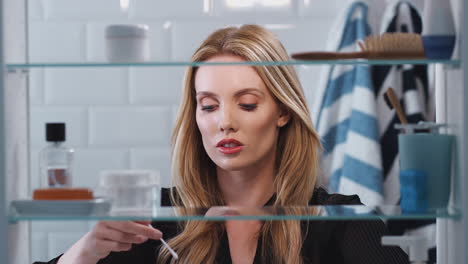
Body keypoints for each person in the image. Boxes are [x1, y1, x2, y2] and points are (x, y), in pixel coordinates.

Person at [36, 24, 409, 264]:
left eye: (247, 104)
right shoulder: (155, 221)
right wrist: (84, 253)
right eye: (209, 105)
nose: (224, 122)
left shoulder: (339, 221)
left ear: (282, 112)